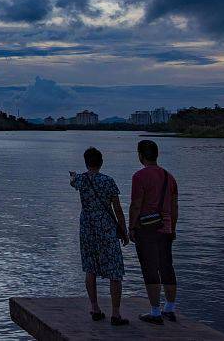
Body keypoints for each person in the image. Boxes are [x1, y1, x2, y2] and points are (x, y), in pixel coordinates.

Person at [69, 147, 130, 326]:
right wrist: (124, 231)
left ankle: (95, 308)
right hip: (106, 228)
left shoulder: (81, 180)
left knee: (90, 269)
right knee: (115, 271)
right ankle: (116, 314)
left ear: (86, 163)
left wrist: (73, 176)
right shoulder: (108, 181)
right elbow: (117, 209)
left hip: (87, 228)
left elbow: (73, 181)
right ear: (101, 162)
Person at [129, 139, 179, 325]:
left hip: (147, 229)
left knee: (150, 269)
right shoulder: (169, 177)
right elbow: (174, 206)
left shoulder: (139, 177)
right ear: (157, 155)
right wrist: (172, 227)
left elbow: (136, 205)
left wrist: (131, 227)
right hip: (166, 228)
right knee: (167, 267)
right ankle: (170, 308)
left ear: (141, 155)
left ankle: (155, 312)